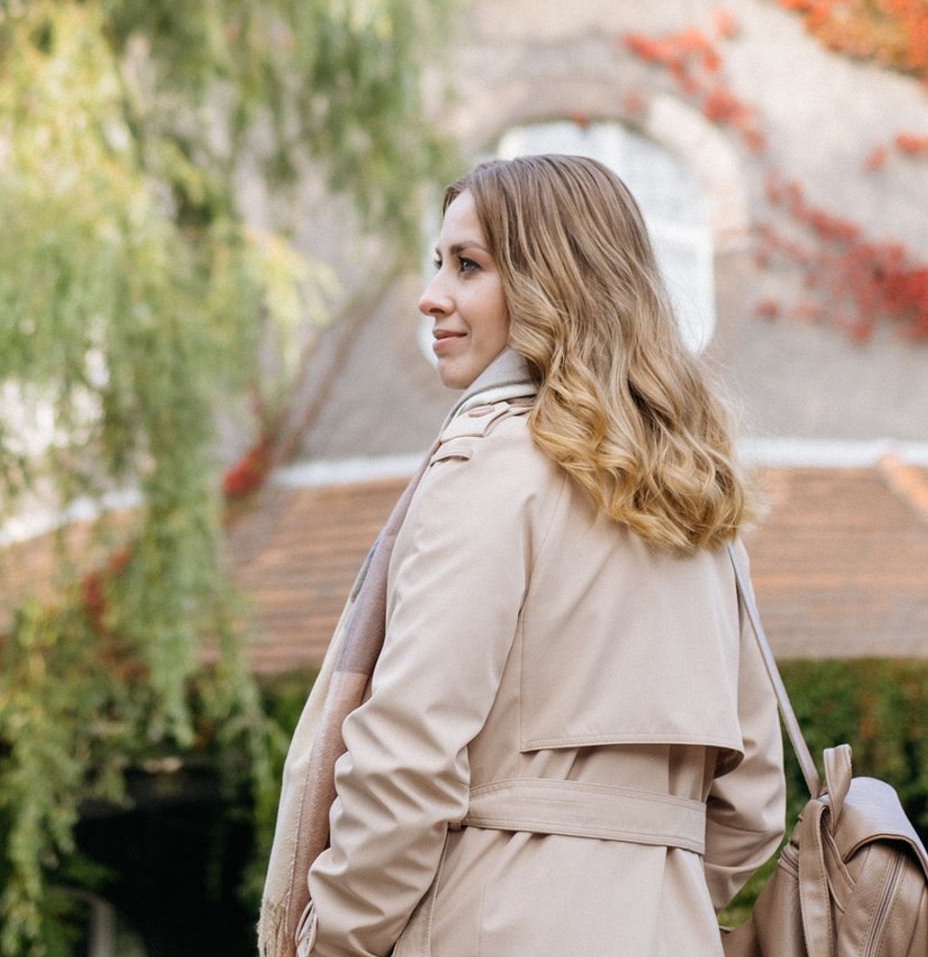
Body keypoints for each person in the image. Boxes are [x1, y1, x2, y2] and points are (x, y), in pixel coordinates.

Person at [260, 153, 785, 957]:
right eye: (438, 263)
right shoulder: (701, 504)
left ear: (555, 282)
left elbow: (405, 761)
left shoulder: (488, 463)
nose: (432, 295)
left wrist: (328, 943)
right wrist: (634, 882)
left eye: (468, 266)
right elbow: (753, 803)